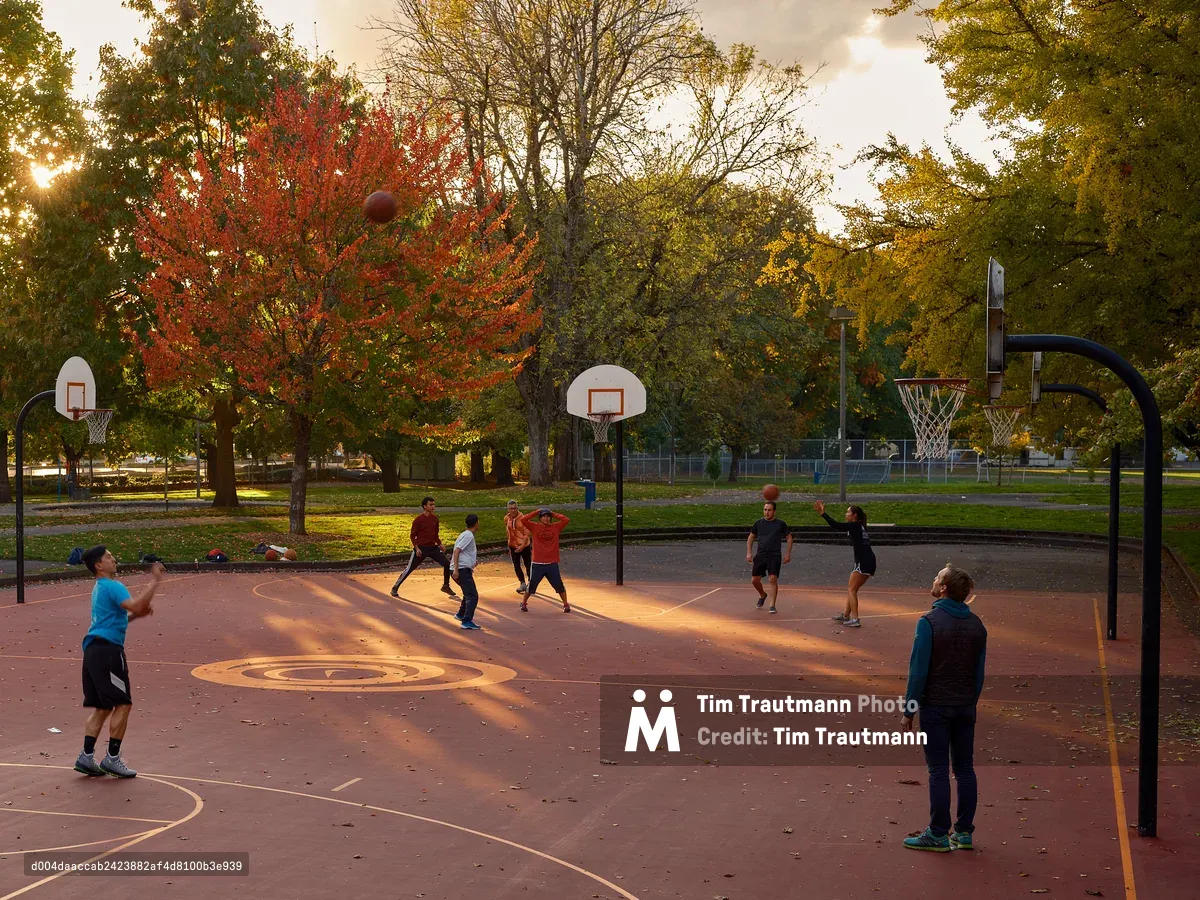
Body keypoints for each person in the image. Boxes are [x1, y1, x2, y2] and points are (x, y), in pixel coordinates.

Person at [901, 565, 986, 852]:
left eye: (937, 578)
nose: (933, 581)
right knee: (965, 769)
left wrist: (909, 709)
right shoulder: (977, 625)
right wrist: (969, 702)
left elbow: (918, 670)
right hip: (964, 705)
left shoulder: (928, 622)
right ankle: (963, 832)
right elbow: (979, 673)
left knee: (938, 769)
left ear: (945, 588)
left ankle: (937, 832)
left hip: (936, 705)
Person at [74, 546, 165, 779]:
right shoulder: (113, 586)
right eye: (108, 557)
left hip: (93, 651)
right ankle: (112, 758)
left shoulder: (100, 588)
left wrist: (136, 615)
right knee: (123, 704)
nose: (114, 559)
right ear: (98, 565)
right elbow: (135, 605)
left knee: (103, 707)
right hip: (108, 652)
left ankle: (86, 756)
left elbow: (117, 617)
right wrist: (155, 581)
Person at [813, 500, 876, 628]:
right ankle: (846, 615)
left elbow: (835, 525)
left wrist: (823, 514)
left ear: (854, 516)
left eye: (848, 512)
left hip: (864, 561)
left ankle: (855, 618)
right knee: (852, 589)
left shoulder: (855, 526)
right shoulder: (859, 526)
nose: (845, 514)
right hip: (868, 560)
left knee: (851, 589)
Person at [391, 496, 456, 598]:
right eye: (430, 504)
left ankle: (446, 586)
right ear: (425, 506)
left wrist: (440, 544)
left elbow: (435, 535)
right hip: (421, 548)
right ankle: (395, 587)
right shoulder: (418, 520)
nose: (433, 506)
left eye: (433, 504)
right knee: (409, 568)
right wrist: (416, 548)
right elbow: (412, 535)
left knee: (447, 564)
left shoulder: (435, 519)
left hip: (433, 548)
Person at [519, 508, 570, 613]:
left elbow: (566, 520)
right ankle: (524, 603)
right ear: (540, 518)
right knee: (532, 585)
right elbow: (523, 520)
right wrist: (536, 512)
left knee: (558, 584)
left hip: (552, 563)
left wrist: (553, 513)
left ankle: (565, 604)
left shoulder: (556, 527)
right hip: (538, 563)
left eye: (548, 516)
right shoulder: (535, 527)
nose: (546, 518)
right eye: (543, 516)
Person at [745, 500, 793, 614]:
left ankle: (772, 605)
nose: (767, 512)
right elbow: (751, 537)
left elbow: (789, 538)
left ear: (774, 511)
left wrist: (788, 553)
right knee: (754, 580)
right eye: (765, 510)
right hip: (761, 555)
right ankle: (762, 594)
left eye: (769, 510)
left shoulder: (780, 524)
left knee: (772, 578)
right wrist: (749, 552)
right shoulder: (758, 523)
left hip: (774, 555)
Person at [451, 514, 483, 630]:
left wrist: (472, 561)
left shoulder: (465, 534)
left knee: (467, 593)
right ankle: (467, 620)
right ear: (476, 524)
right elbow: (456, 551)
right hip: (461, 570)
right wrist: (456, 569)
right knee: (473, 595)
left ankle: (460, 614)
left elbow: (463, 552)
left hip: (463, 568)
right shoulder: (468, 535)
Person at [505, 500, 532, 593]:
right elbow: (507, 530)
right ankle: (522, 583)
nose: (513, 510)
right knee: (516, 565)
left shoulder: (523, 519)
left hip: (524, 545)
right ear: (508, 509)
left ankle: (530, 582)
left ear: (517, 508)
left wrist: (522, 545)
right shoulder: (506, 518)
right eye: (511, 508)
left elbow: (526, 534)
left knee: (527, 564)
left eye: (515, 508)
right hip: (513, 545)